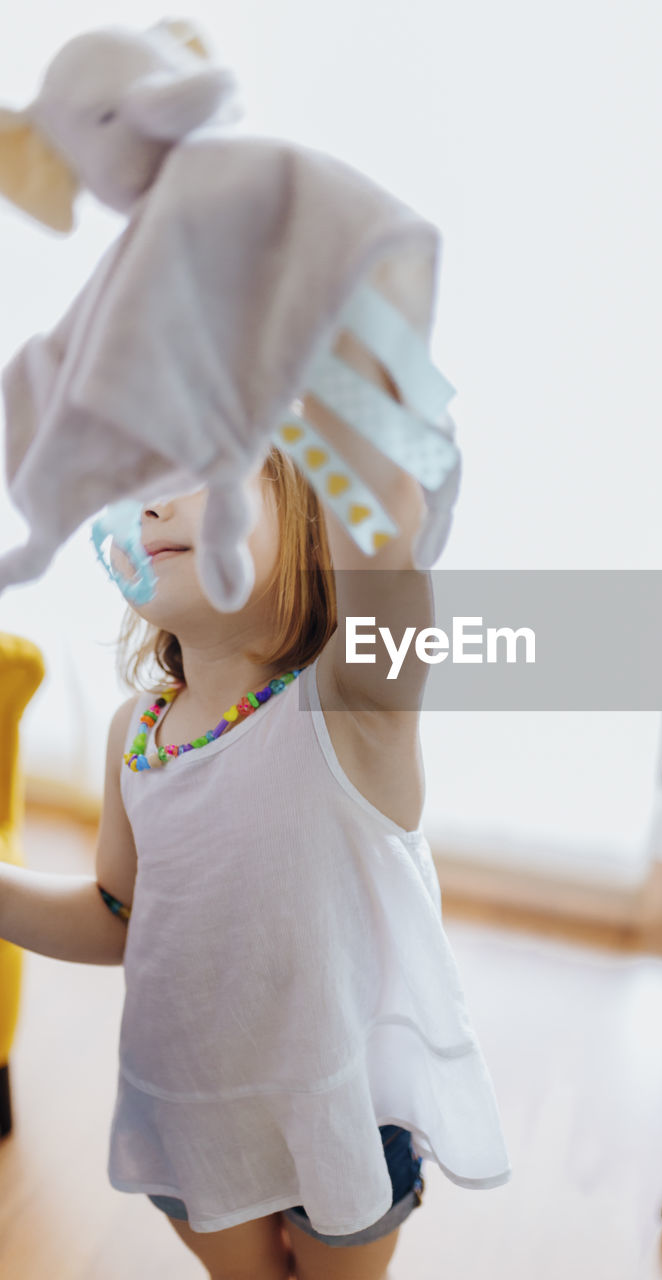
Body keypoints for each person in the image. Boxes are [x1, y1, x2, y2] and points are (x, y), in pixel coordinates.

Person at [0, 353, 511, 1280]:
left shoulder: (351, 709)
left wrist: (340, 384)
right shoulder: (136, 733)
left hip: (342, 1112)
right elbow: (117, 913)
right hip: (194, 1106)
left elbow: (389, 557)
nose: (149, 502)